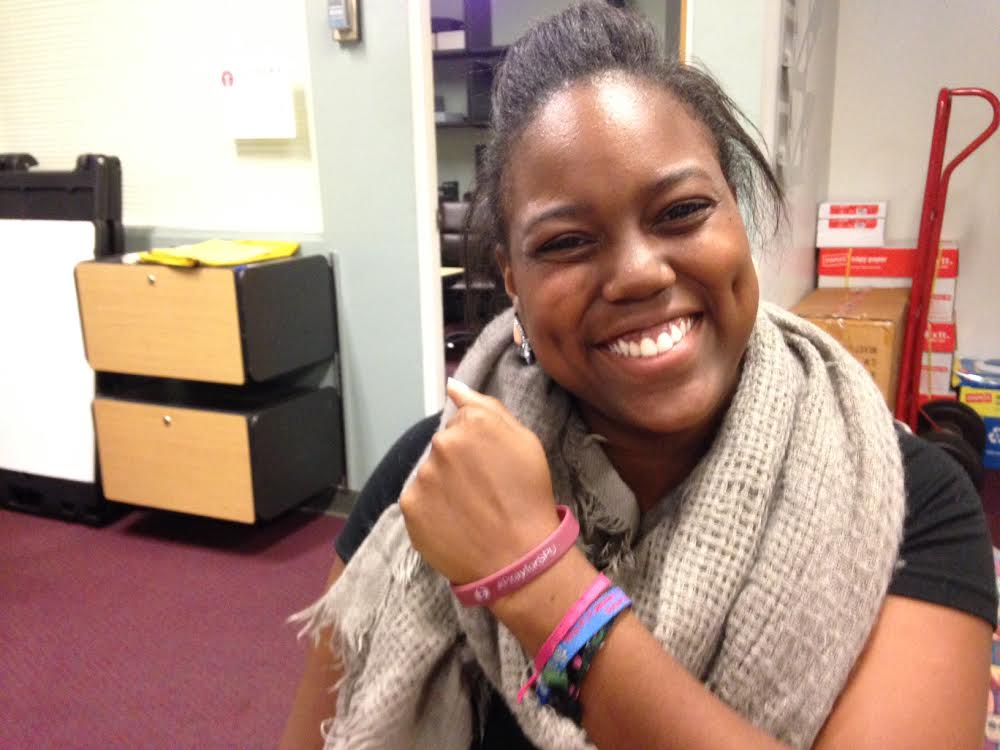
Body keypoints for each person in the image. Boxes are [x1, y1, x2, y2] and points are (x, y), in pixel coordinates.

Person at [280, 4, 996, 749]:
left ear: (738, 222)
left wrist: (533, 579)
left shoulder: (910, 508)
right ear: (512, 282)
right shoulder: (433, 481)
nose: (638, 274)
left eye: (682, 211)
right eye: (566, 242)